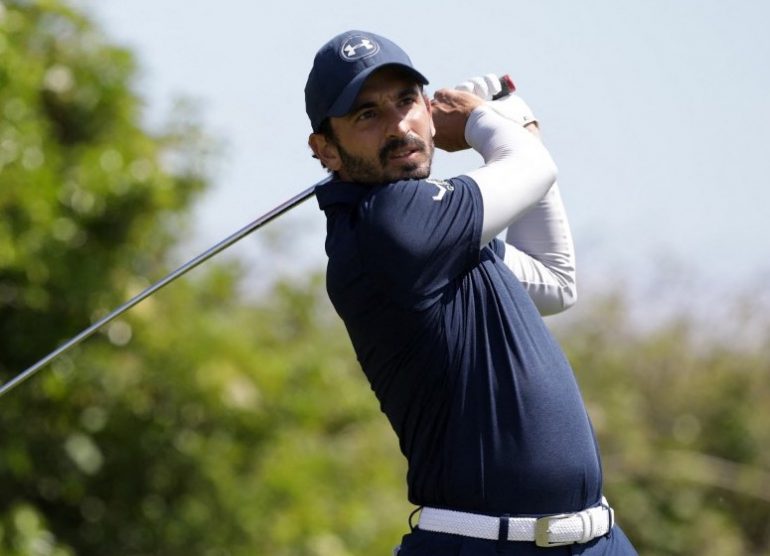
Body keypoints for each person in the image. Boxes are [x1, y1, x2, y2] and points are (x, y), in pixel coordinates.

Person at [305, 30, 637, 555]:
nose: (399, 126)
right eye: (367, 115)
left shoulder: (429, 234)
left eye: (407, 101)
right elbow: (532, 170)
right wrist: (487, 122)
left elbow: (554, 282)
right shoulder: (392, 226)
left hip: (599, 539)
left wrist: (518, 133)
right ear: (326, 150)